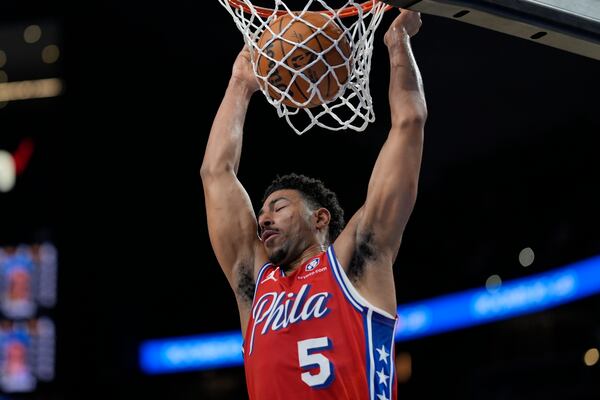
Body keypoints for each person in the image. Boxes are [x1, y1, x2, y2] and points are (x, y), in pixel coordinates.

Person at [201, 9, 426, 400]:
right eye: (263, 211)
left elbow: (409, 124)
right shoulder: (256, 286)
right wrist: (240, 83)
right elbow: (215, 173)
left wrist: (397, 43)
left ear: (320, 218)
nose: (264, 218)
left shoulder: (359, 260)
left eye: (279, 207)